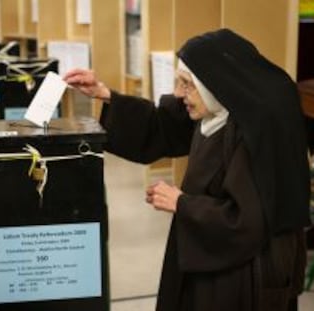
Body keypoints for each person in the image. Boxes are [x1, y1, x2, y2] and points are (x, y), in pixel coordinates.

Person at [63, 28, 311, 311]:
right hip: (213, 253)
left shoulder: (256, 136)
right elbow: (163, 125)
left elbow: (247, 222)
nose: (179, 93)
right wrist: (104, 94)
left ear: (215, 85)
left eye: (187, 84)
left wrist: (181, 203)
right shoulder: (217, 108)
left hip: (240, 275)